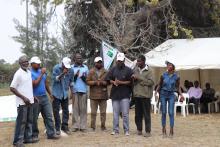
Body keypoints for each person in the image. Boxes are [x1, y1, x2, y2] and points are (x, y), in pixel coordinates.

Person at [30, 56, 60, 140]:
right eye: (37, 63)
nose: (39, 64)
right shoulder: (30, 73)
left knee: (49, 116)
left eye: (39, 63)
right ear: (32, 64)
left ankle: (51, 133)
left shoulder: (41, 71)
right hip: (35, 98)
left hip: (44, 96)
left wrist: (50, 93)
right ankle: (34, 135)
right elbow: (34, 84)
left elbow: (45, 83)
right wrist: (41, 74)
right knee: (34, 118)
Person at [10, 55, 36, 147]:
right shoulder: (18, 74)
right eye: (24, 62)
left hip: (30, 101)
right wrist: (23, 97)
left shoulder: (28, 72)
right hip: (22, 102)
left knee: (29, 121)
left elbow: (28, 86)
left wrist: (33, 96)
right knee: (21, 122)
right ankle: (17, 141)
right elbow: (12, 88)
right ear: (20, 63)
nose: (26, 63)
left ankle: (27, 139)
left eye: (27, 61)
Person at [105, 52, 133, 136]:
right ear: (116, 60)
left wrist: (120, 82)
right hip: (115, 94)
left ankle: (126, 130)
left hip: (125, 95)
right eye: (118, 61)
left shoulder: (128, 70)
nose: (119, 62)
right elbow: (108, 78)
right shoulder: (113, 69)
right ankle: (115, 130)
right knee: (115, 113)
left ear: (124, 60)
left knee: (125, 114)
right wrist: (113, 82)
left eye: (121, 61)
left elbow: (130, 82)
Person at [156, 61, 184, 137]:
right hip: (163, 94)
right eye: (168, 65)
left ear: (173, 66)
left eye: (170, 65)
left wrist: (181, 95)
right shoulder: (163, 75)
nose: (168, 66)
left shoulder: (177, 76)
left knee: (171, 112)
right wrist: (156, 93)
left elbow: (178, 87)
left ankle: (171, 130)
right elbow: (159, 85)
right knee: (164, 112)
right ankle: (164, 130)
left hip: (171, 94)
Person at [132, 55, 154, 137]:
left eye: (139, 61)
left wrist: (139, 78)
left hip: (145, 96)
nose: (138, 62)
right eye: (137, 61)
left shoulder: (150, 71)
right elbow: (134, 80)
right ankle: (139, 130)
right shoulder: (135, 69)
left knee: (146, 115)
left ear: (144, 61)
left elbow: (151, 82)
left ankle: (148, 131)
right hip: (137, 95)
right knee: (138, 115)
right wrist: (133, 78)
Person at [51, 57, 74, 135]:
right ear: (62, 63)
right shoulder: (56, 68)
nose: (66, 68)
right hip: (56, 93)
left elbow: (71, 81)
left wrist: (72, 92)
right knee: (56, 111)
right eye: (65, 66)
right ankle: (57, 128)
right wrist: (63, 73)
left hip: (65, 93)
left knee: (66, 111)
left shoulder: (71, 70)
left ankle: (64, 127)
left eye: (68, 66)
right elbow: (55, 79)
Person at [86, 57, 108, 131]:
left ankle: (103, 126)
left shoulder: (106, 71)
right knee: (93, 113)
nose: (99, 64)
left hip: (103, 95)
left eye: (100, 62)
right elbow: (87, 81)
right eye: (97, 62)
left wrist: (103, 82)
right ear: (95, 63)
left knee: (103, 112)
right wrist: (95, 82)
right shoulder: (91, 71)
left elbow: (108, 82)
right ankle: (92, 127)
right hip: (93, 95)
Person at [71, 53, 89, 132]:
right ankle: (75, 126)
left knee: (83, 109)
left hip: (84, 90)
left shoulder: (85, 67)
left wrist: (83, 77)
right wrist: (75, 76)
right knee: (75, 109)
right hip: (74, 91)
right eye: (78, 58)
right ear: (74, 59)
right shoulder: (71, 68)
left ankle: (83, 126)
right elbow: (70, 80)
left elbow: (88, 80)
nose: (79, 59)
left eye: (80, 58)